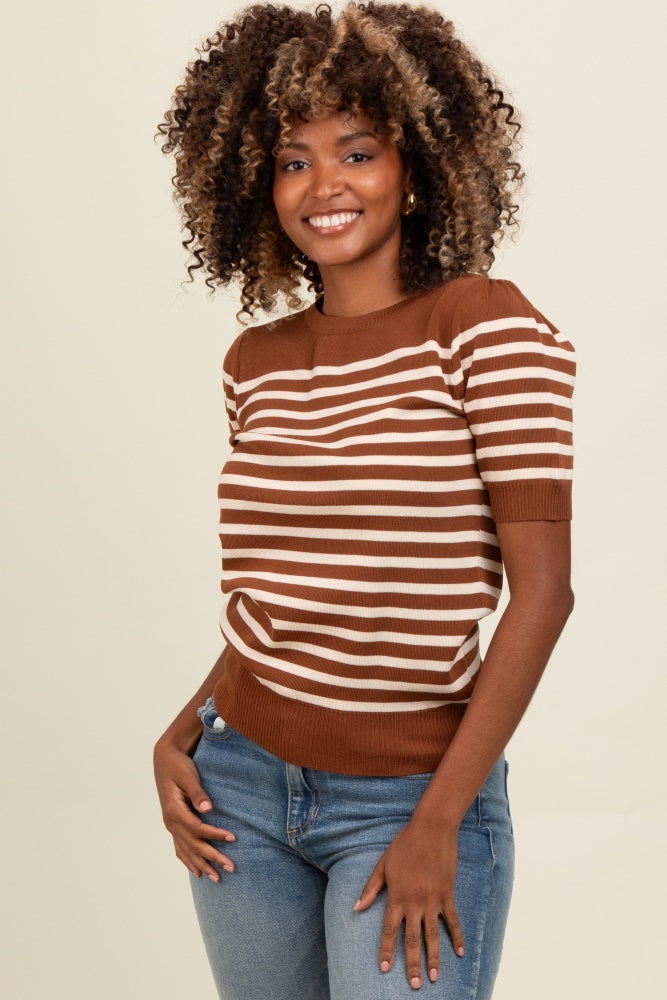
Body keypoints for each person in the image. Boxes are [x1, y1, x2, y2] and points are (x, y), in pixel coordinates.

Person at [153, 3, 575, 998]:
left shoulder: (481, 325)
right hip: (238, 785)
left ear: (414, 166)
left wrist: (438, 821)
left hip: (411, 798)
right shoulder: (254, 362)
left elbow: (543, 594)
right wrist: (182, 728)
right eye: (292, 161)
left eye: (356, 152)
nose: (324, 185)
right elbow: (291, 591)